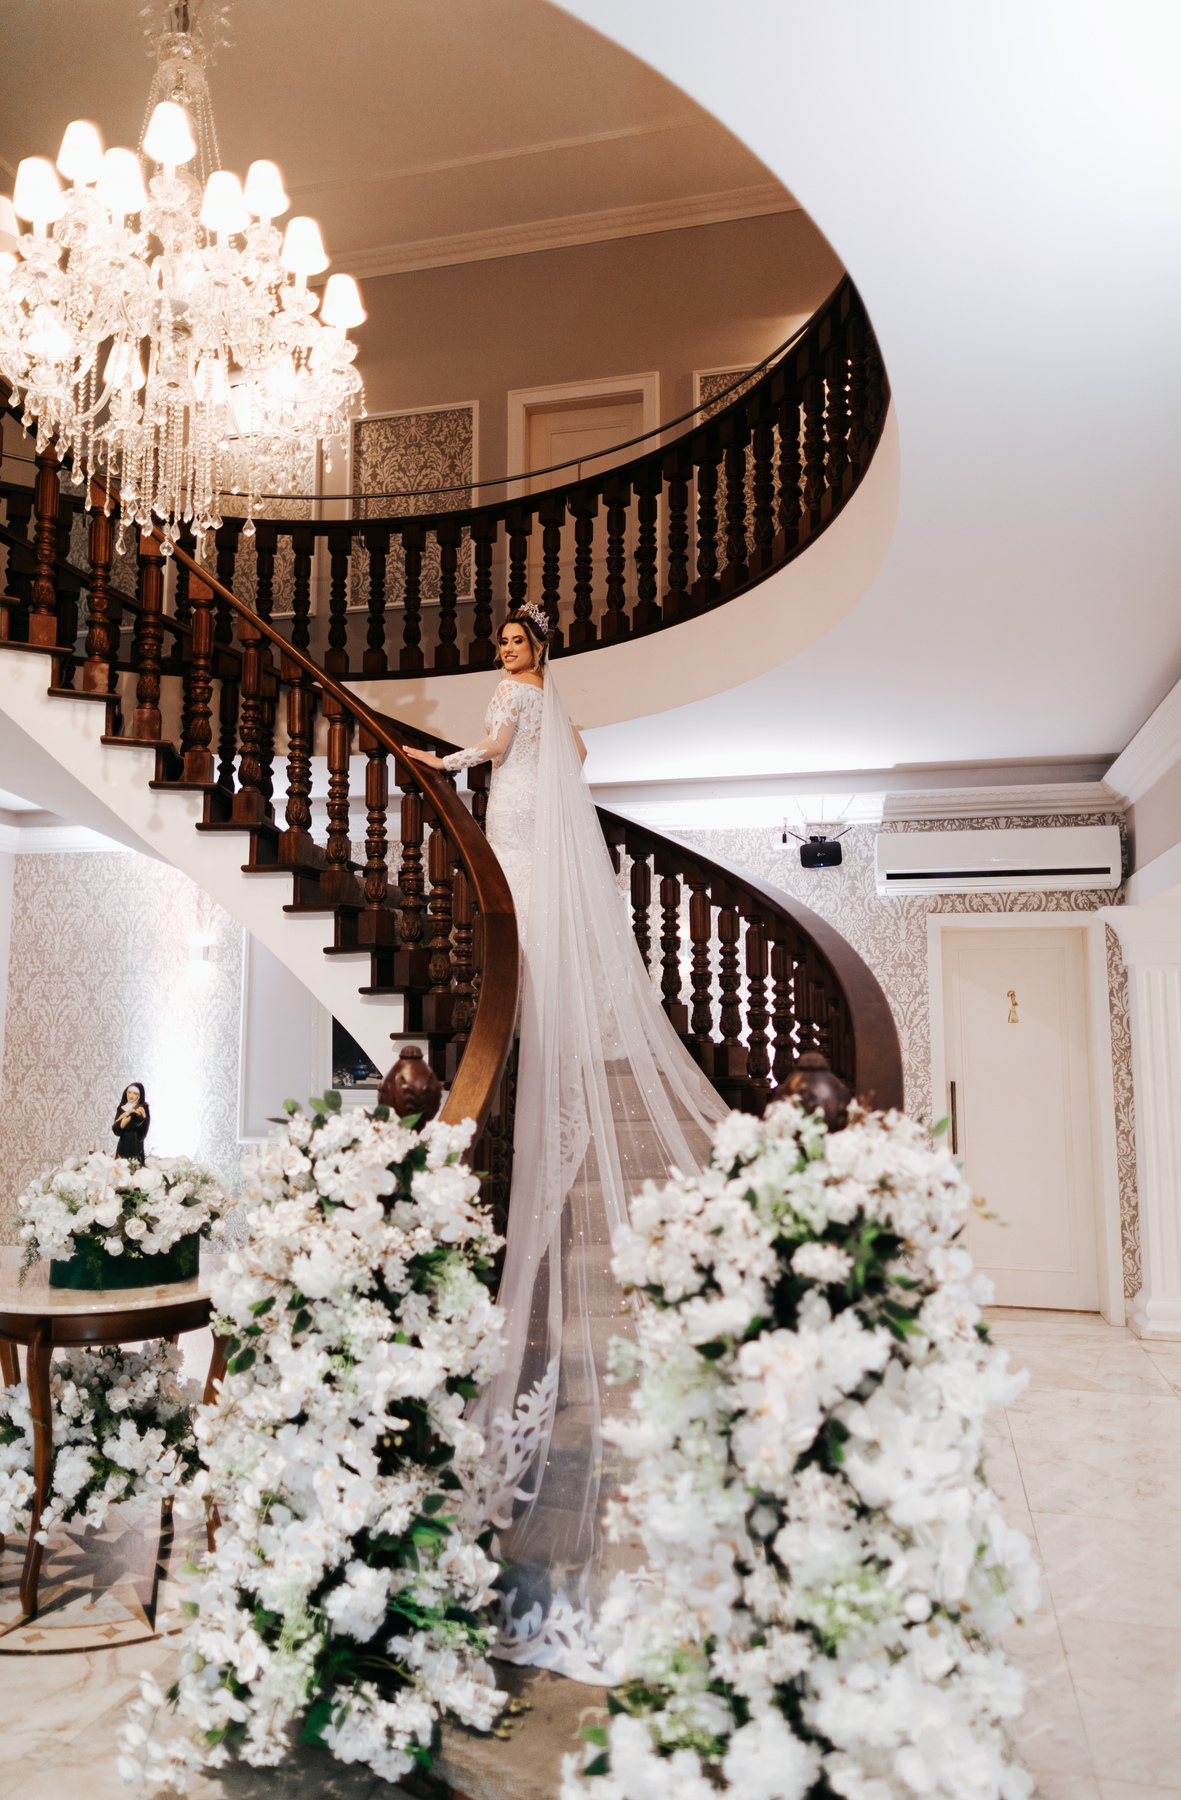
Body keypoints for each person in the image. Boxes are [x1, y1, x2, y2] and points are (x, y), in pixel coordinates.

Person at [404, 604, 726, 1681]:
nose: (506, 653)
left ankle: (532, 1018)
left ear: (531, 650)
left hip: (513, 823)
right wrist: (532, 770)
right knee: (530, 922)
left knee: (514, 917)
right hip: (539, 824)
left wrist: (441, 762)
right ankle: (541, 1016)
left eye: (514, 642)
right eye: (502, 644)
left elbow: (500, 746)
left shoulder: (511, 698)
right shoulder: (556, 696)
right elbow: (573, 755)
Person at [112, 1082, 149, 1163]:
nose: (131, 1096)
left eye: (135, 1093)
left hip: (135, 1141)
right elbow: (115, 1128)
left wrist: (142, 1117)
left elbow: (144, 1128)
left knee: (134, 1163)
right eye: (129, 1093)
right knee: (121, 1163)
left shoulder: (142, 1108)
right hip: (123, 1141)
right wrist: (121, 1125)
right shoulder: (121, 1108)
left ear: (139, 1095)